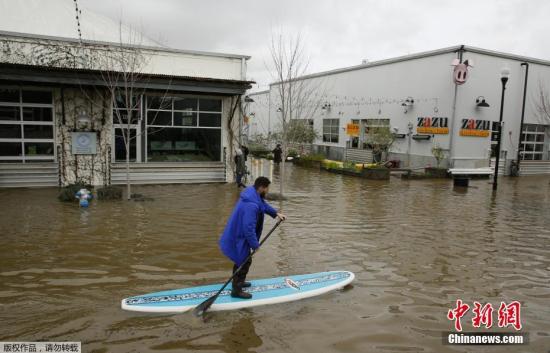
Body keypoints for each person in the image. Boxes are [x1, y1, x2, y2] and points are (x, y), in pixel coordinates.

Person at [219, 177, 286, 299]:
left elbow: (263, 205)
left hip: (238, 233)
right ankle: (236, 290)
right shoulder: (251, 205)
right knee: (244, 261)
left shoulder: (252, 193)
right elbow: (248, 229)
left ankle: (238, 282)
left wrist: (275, 213)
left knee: (241, 260)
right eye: (267, 188)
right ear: (261, 188)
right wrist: (255, 245)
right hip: (240, 236)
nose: (267, 191)